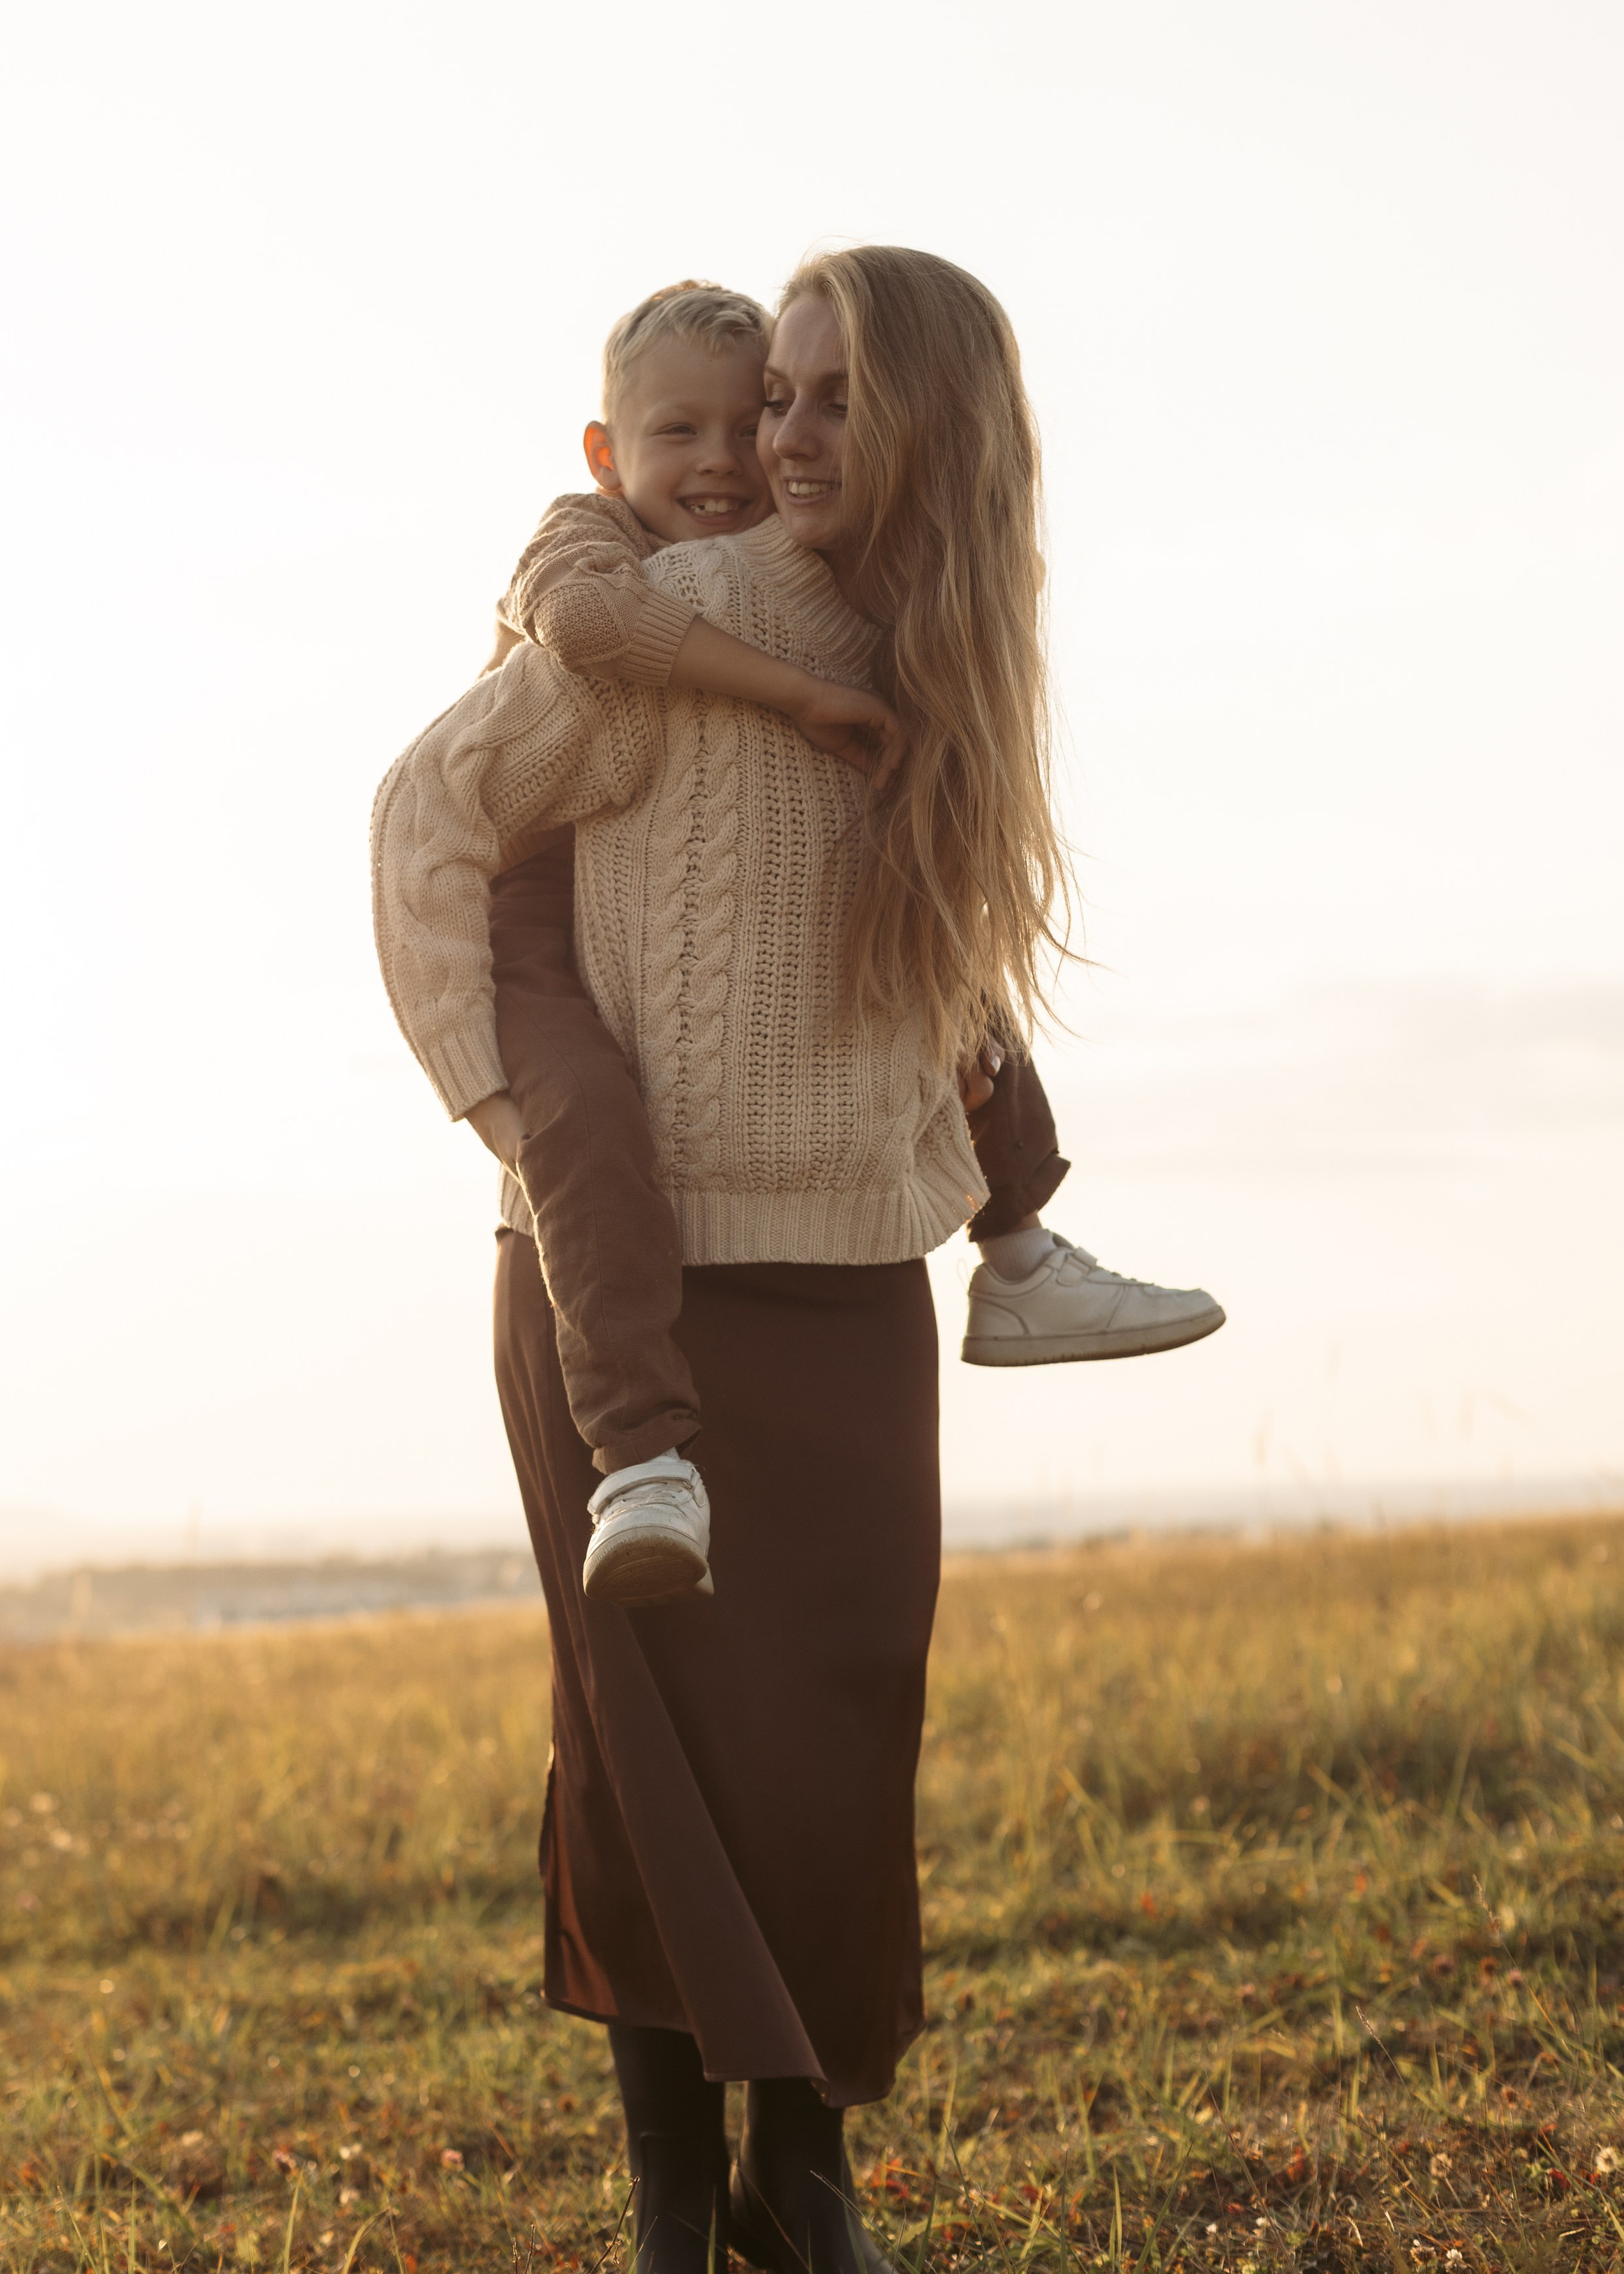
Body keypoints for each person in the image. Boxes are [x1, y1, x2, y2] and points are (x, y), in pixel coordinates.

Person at [371, 248, 1190, 2274]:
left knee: (832, 1758)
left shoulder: (946, 656)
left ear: (936, 431)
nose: (779, 450)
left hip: (849, 1291)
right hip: (623, 1302)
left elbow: (927, 963)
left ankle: (805, 2200)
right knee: (644, 1759)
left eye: (826, 405)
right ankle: (672, 2238)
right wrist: (513, 1105)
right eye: (767, 405)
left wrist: (987, 1188)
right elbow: (426, 811)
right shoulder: (687, 613)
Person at [474, 284, 1223, 1609]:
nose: (726, 460)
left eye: (751, 418)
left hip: (820, 1222)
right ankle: (636, 1447)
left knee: (944, 950)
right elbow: (589, 635)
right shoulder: (581, 545)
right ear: (605, 452)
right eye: (680, 433)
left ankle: (1023, 1245)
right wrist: (805, 690)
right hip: (535, 906)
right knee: (584, 1124)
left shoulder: (794, 566)